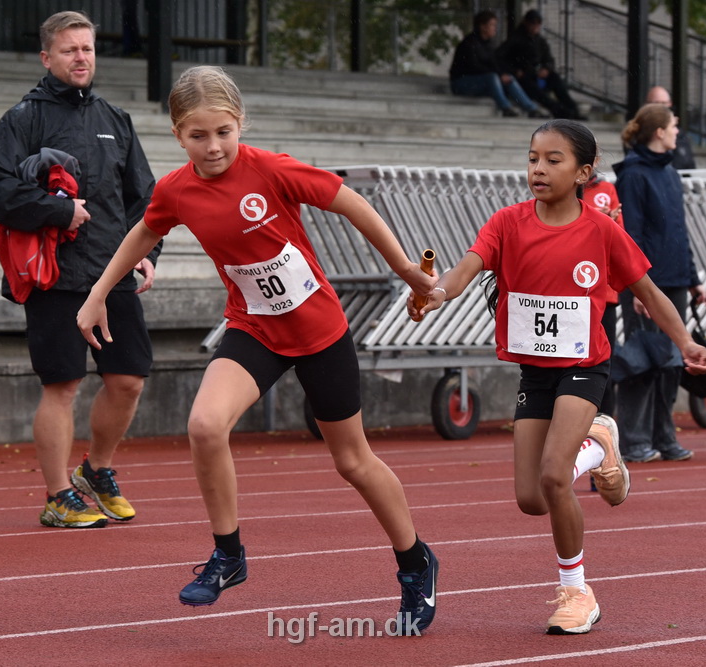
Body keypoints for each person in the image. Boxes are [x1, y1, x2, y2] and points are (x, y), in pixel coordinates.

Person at [76, 65, 440, 634]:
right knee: (204, 425)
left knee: (352, 461)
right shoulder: (175, 189)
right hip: (254, 329)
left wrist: (403, 271)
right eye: (199, 136)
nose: (213, 145)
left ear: (240, 123)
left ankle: (415, 561)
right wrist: (99, 292)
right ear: (177, 135)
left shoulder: (271, 169)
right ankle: (228, 555)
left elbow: (353, 205)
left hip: (319, 332)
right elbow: (145, 231)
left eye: (223, 131)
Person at [408, 119, 706, 634]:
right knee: (531, 498)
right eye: (533, 159)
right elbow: (465, 269)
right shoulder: (507, 222)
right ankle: (601, 447)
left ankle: (576, 592)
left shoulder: (601, 232)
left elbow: (650, 293)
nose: (539, 169)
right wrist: (435, 294)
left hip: (584, 367)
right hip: (536, 370)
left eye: (553, 160)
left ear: (583, 173)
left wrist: (686, 343)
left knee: (554, 475)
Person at [0, 10, 158, 529]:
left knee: (128, 380)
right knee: (63, 384)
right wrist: (60, 211)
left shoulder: (115, 119)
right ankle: (58, 494)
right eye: (69, 50)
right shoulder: (23, 119)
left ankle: (95, 471)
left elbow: (144, 200)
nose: (81, 58)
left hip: (111, 271)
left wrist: (146, 250)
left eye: (87, 49)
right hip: (55, 276)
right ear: (47, 57)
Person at [613, 104, 706, 463]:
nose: (677, 132)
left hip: (675, 279)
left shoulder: (670, 172)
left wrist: (694, 279)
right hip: (645, 283)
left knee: (671, 363)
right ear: (658, 132)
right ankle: (634, 440)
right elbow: (632, 234)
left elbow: (679, 232)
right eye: (673, 126)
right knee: (643, 361)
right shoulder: (634, 174)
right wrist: (639, 286)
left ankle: (664, 436)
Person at [449, 10, 548, 118]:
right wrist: (497, 75)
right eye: (492, 25)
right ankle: (505, 107)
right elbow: (473, 67)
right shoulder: (469, 43)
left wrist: (502, 75)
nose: (495, 28)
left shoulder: (489, 45)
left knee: (508, 78)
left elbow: (495, 64)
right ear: (482, 26)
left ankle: (531, 109)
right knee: (492, 77)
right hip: (461, 83)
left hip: (481, 82)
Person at [582, 170, 624, 417]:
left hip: (603, 293)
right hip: (568, 294)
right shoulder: (562, 191)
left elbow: (620, 238)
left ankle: (605, 422)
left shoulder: (607, 190)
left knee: (603, 359)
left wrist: (607, 223)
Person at [496, 10, 585, 120]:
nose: (535, 27)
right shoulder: (515, 39)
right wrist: (514, 71)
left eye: (537, 24)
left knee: (555, 79)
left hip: (536, 74)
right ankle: (560, 110)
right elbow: (500, 58)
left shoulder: (539, 41)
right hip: (523, 76)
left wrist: (546, 68)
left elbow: (548, 59)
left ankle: (573, 108)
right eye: (533, 24)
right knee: (538, 93)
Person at [645, 86, 697, 170]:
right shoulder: (637, 170)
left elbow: (690, 165)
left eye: (664, 103)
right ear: (660, 133)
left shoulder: (681, 137)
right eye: (657, 103)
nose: (676, 131)